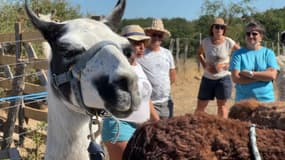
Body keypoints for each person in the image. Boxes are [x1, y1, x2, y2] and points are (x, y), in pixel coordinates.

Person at [101, 25, 160, 160]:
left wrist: (157, 122)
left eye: (143, 43)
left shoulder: (137, 66)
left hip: (139, 126)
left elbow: (146, 98)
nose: (142, 47)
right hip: (120, 125)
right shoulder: (116, 68)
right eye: (136, 43)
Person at [194, 18, 240, 118]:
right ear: (212, 28)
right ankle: (195, 126)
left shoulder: (229, 41)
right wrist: (205, 65)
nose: (219, 29)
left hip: (223, 78)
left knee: (222, 106)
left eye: (222, 27)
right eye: (217, 27)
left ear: (224, 30)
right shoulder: (206, 41)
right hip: (207, 78)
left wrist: (227, 65)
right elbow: (199, 53)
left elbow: (240, 53)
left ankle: (222, 129)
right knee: (200, 107)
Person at [229, 21, 279, 102]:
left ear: (261, 36)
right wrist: (262, 76)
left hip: (266, 102)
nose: (251, 36)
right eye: (248, 34)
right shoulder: (238, 54)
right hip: (243, 103)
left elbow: (272, 75)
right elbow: (236, 78)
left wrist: (250, 74)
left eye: (254, 34)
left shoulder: (269, 53)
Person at [137, 18, 176, 119]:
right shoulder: (140, 54)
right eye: (154, 35)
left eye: (159, 36)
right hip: (149, 103)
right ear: (148, 35)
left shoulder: (167, 53)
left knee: (167, 131)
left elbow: (172, 76)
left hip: (166, 102)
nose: (156, 38)